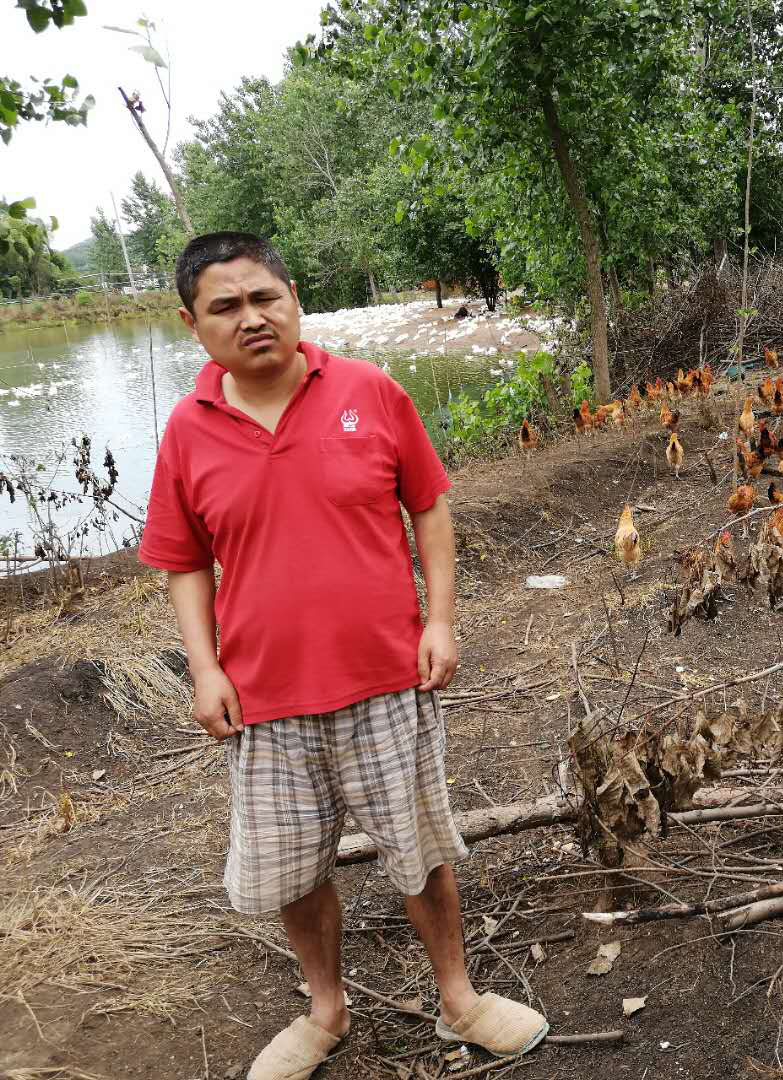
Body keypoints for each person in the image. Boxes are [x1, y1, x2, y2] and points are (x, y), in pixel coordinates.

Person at [139, 232, 547, 1080]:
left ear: (295, 300)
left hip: (386, 679)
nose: (252, 319)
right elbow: (182, 560)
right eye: (226, 307)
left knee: (419, 849)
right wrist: (206, 669)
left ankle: (460, 1000)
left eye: (265, 298)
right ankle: (325, 1010)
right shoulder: (187, 430)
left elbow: (428, 506)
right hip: (265, 696)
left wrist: (441, 620)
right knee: (292, 868)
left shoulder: (370, 391)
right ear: (193, 323)